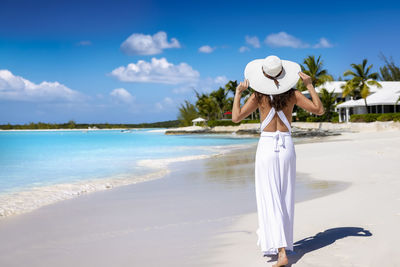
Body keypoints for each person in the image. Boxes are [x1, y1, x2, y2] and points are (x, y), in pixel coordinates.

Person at [232, 55, 324, 267]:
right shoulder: (293, 95)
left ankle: (281, 251)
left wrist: (238, 93)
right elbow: (319, 110)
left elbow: (236, 118)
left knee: (270, 197)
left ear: (263, 76)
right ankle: (281, 245)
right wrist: (309, 85)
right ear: (283, 75)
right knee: (285, 196)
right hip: (286, 146)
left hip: (266, 147)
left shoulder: (258, 96)